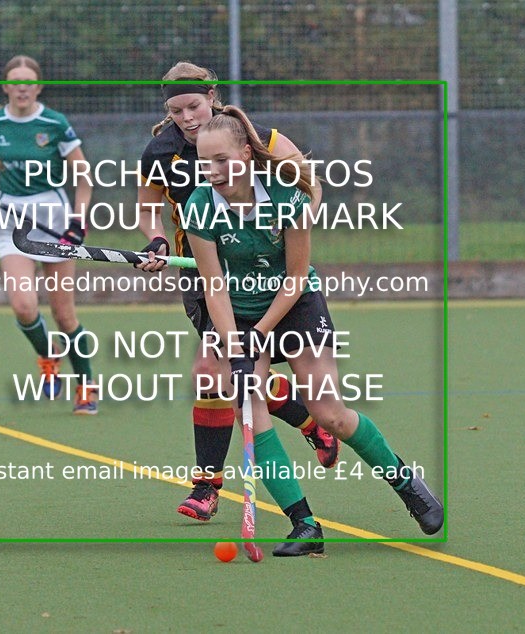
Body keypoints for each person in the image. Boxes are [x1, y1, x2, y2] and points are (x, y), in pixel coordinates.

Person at [183, 105, 444, 543]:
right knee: (249, 408)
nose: (212, 171)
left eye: (222, 161)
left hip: (295, 304)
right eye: (204, 162)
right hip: (238, 312)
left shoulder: (287, 195)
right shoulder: (198, 206)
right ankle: (304, 524)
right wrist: (234, 347)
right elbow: (214, 287)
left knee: (331, 414)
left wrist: (261, 334)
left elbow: (297, 276)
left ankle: (408, 485)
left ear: (247, 154)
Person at [136, 61, 340, 523]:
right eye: (176, 110)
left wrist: (285, 228)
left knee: (223, 372)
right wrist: (157, 241)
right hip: (207, 275)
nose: (187, 118)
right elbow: (148, 212)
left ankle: (211, 481)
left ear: (211, 96)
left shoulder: (256, 137)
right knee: (219, 373)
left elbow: (310, 185)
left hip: (263, 271)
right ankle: (220, 477)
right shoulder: (159, 151)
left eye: (193, 106)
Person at [0, 55, 98, 414]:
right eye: (16, 81)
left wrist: (78, 222)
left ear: (38, 87)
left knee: (64, 315)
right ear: (6, 87)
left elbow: (84, 177)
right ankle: (48, 355)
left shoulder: (55, 124)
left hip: (53, 218)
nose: (23, 87)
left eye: (29, 81)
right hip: (11, 217)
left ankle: (86, 385)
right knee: (24, 306)